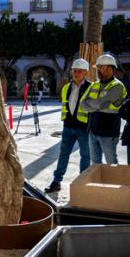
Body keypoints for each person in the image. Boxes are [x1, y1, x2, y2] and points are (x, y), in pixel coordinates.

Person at [45, 59, 92, 193]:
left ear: (86, 72)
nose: (76, 73)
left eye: (79, 71)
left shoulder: (92, 87)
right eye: (74, 70)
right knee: (63, 154)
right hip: (68, 127)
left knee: (85, 155)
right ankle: (56, 182)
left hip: (84, 128)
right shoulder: (66, 87)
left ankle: (83, 184)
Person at [80, 54, 128, 164]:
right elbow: (82, 104)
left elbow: (101, 104)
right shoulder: (94, 85)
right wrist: (96, 106)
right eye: (98, 68)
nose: (99, 71)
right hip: (93, 130)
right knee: (95, 163)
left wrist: (92, 104)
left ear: (111, 69)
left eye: (102, 68)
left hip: (109, 132)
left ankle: (114, 181)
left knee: (111, 163)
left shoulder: (117, 86)